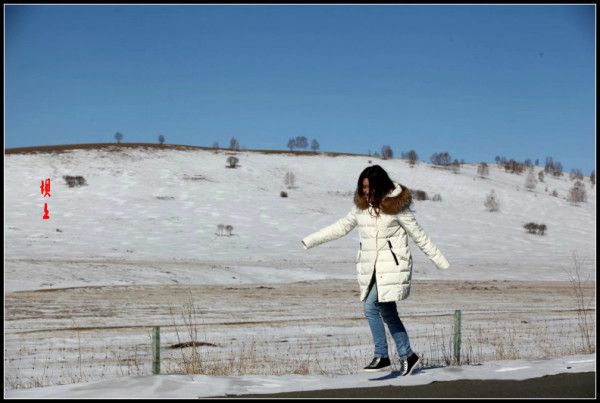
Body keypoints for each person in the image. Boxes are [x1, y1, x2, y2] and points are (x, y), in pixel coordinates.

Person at [301, 165, 450, 375]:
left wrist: (440, 261)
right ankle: (408, 355)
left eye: (370, 187)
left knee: (370, 307)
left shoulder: (395, 208)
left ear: (380, 187)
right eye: (363, 187)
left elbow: (420, 236)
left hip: (391, 269)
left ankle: (382, 355)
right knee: (388, 313)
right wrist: (310, 240)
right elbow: (340, 227)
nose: (366, 192)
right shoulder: (361, 208)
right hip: (371, 268)